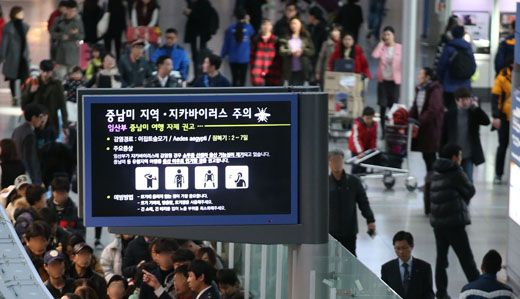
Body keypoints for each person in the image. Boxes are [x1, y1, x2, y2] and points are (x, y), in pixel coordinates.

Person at [430, 144, 480, 299]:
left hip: (438, 223)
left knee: (441, 260)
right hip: (454, 223)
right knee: (466, 259)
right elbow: (470, 190)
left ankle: (441, 292)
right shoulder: (455, 171)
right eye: (459, 155)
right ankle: (479, 288)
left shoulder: (436, 170)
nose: (460, 159)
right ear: (453, 157)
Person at [328, 149, 376, 256]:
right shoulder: (324, 183)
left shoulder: (353, 182)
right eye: (333, 161)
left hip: (349, 230)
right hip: (330, 231)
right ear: (329, 163)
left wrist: (370, 220)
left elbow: (363, 202)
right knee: (331, 259)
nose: (336, 164)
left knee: (349, 258)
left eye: (339, 160)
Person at [440, 87, 490, 183]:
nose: (465, 102)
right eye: (463, 100)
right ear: (457, 100)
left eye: (467, 99)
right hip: (453, 154)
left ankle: (466, 198)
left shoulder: (473, 113)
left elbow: (486, 121)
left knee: (467, 181)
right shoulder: (449, 114)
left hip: (468, 154)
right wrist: (441, 152)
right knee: (451, 180)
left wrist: (477, 108)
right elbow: (444, 134)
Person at [21, 60, 69, 138]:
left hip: (51, 121)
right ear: (40, 70)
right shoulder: (34, 82)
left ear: (52, 72)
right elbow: (23, 104)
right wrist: (31, 92)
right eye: (43, 71)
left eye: (48, 72)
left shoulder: (56, 85)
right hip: (36, 122)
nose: (45, 74)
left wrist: (65, 124)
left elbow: (63, 105)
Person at [410, 67, 444, 174]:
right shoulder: (421, 89)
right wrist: (407, 116)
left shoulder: (434, 90)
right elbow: (416, 107)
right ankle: (430, 179)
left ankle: (432, 180)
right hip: (424, 128)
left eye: (421, 74)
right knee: (427, 155)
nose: (419, 77)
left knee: (430, 155)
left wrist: (420, 121)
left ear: (427, 77)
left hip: (431, 128)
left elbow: (433, 109)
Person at [381, 231, 434, 299]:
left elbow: (429, 294)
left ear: (412, 246)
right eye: (398, 248)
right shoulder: (387, 268)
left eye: (404, 248)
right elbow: (384, 294)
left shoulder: (424, 268)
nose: (401, 252)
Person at [436, 25, 476, 110]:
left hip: (449, 86)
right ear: (462, 35)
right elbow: (473, 67)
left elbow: (441, 66)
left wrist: (441, 79)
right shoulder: (468, 48)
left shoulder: (448, 47)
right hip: (465, 87)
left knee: (450, 111)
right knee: (463, 111)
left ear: (452, 35)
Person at [372, 26, 402, 133]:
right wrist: (380, 43)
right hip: (383, 81)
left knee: (393, 107)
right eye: (385, 34)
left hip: (394, 82)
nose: (387, 37)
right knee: (382, 106)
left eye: (388, 34)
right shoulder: (383, 47)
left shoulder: (399, 48)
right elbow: (375, 55)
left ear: (393, 35)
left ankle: (392, 129)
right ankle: (383, 131)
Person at [0, 6, 29, 106]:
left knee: (23, 77)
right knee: (13, 78)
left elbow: (25, 43)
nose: (22, 15)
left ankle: (21, 96)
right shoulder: (8, 27)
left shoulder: (24, 26)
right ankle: (14, 97)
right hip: (12, 56)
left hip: (22, 57)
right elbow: (4, 43)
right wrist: (2, 56)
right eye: (21, 13)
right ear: (15, 14)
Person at [50, 0, 85, 80]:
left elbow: (82, 36)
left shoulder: (78, 21)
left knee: (73, 76)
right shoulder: (58, 20)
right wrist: (61, 36)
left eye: (75, 11)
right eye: (72, 11)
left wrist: (76, 33)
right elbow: (52, 33)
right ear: (67, 9)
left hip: (73, 53)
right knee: (61, 77)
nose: (74, 13)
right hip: (60, 52)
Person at [491, 57, 512, 184]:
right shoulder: (502, 76)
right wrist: (496, 116)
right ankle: (498, 174)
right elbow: (495, 98)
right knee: (503, 146)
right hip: (504, 117)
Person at [221, 9, 255, 87]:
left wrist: (222, 55)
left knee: (234, 78)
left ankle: (234, 95)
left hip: (233, 57)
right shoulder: (248, 27)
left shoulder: (230, 28)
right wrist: (248, 21)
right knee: (243, 79)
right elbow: (253, 33)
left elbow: (226, 43)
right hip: (244, 57)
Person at [11, 104, 43, 184]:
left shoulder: (17, 130)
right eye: (40, 117)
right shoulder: (29, 135)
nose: (41, 120)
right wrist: (35, 180)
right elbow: (30, 159)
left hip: (16, 170)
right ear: (33, 118)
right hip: (26, 175)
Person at [184, 0, 216, 79]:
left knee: (201, 57)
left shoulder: (204, 4)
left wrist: (191, 13)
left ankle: (201, 77)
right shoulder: (191, 4)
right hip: (194, 35)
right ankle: (196, 77)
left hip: (200, 35)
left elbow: (203, 19)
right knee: (195, 57)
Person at [279, 17, 314, 85]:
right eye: (292, 23)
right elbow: (281, 51)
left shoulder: (305, 38)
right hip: (289, 70)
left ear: (300, 25)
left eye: (295, 23)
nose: (293, 25)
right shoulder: (286, 38)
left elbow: (312, 51)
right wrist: (291, 51)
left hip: (303, 70)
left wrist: (302, 51)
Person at [249, 19, 281, 86]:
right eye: (264, 24)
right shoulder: (255, 39)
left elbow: (279, 57)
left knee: (272, 92)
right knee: (258, 93)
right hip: (257, 69)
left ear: (271, 27)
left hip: (272, 70)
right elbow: (251, 55)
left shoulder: (276, 40)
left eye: (268, 25)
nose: (266, 27)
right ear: (261, 26)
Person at [348, 107, 377, 174]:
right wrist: (360, 151)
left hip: (366, 149)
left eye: (371, 118)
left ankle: (361, 181)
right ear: (363, 117)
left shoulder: (374, 125)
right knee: (356, 166)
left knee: (364, 166)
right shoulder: (358, 125)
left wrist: (372, 148)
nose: (369, 121)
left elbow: (373, 137)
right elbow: (356, 139)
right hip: (356, 149)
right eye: (367, 118)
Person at [307, 6, 327, 75]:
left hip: (319, 55)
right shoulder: (310, 27)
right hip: (312, 54)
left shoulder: (323, 28)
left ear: (313, 16)